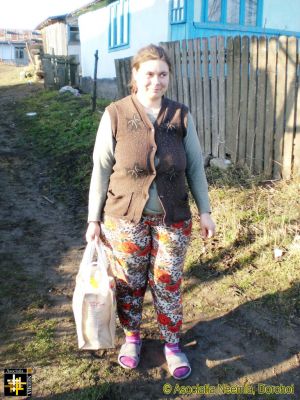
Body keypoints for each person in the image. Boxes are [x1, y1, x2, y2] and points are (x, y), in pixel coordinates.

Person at [86, 44, 215, 380]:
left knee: (167, 282)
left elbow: (196, 169)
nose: (156, 81)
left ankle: (172, 344)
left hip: (173, 219)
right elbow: (101, 168)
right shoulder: (115, 113)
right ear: (135, 76)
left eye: (162, 74)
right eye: (149, 74)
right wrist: (93, 219)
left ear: (169, 77)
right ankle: (132, 338)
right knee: (130, 284)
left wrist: (205, 211)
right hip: (124, 219)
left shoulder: (180, 115)